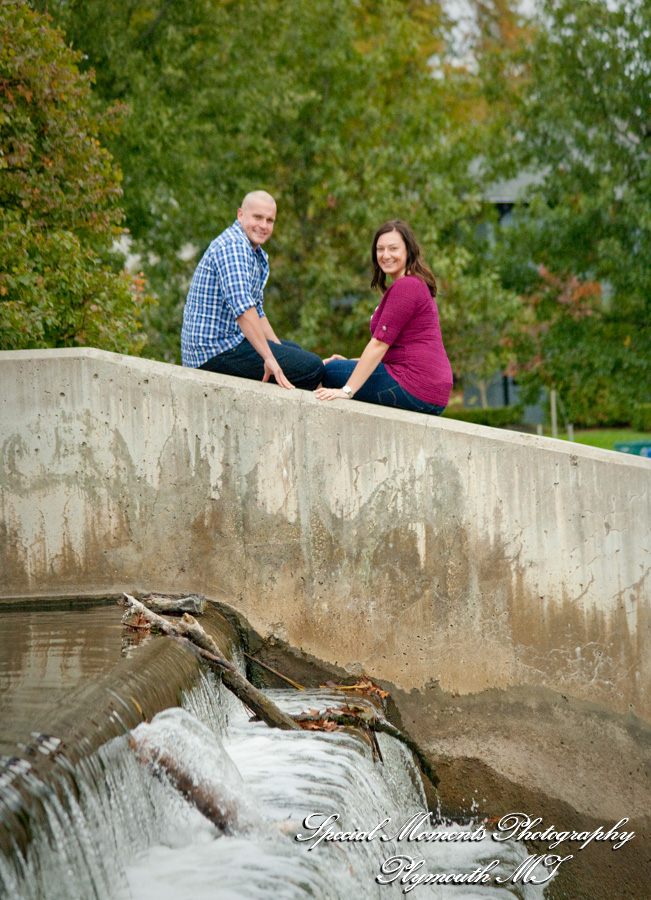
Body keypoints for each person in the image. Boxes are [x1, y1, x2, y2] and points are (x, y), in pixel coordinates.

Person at [181, 191, 324, 391]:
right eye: (257, 217)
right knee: (312, 367)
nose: (263, 225)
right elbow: (244, 310)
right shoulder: (234, 247)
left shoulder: (253, 252)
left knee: (296, 352)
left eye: (269, 220)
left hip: (230, 344)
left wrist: (278, 349)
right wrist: (269, 358)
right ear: (240, 215)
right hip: (212, 353)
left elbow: (257, 311)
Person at [315, 220, 453, 415]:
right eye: (380, 249)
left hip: (414, 385)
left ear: (409, 251)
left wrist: (347, 391)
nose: (385, 255)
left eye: (393, 248)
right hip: (431, 391)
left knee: (327, 370)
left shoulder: (407, 286)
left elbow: (380, 344)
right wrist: (353, 362)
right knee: (337, 366)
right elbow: (395, 353)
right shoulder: (415, 284)